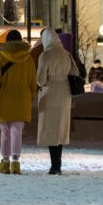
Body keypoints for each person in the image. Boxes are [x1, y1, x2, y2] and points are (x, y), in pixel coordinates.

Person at [0, 29, 37, 174]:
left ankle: (5, 163)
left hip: (4, 100)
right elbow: (33, 83)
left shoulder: (0, 58)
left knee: (5, 133)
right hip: (22, 101)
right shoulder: (29, 59)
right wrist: (30, 98)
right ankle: (16, 163)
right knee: (17, 132)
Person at [36, 26, 78, 175]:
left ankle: (55, 166)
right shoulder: (66, 54)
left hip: (51, 93)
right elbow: (75, 73)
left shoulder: (45, 55)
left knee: (51, 129)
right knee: (61, 129)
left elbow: (40, 79)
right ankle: (57, 165)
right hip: (65, 93)